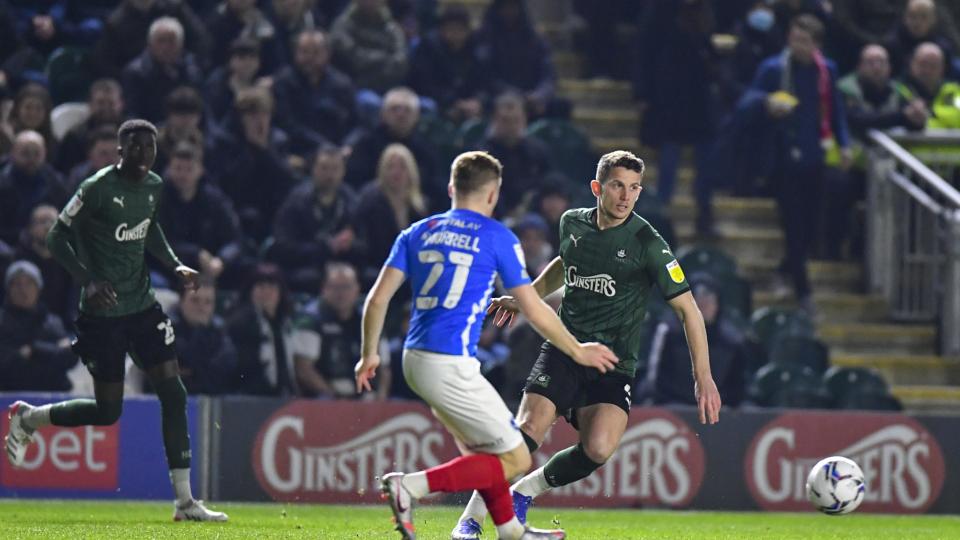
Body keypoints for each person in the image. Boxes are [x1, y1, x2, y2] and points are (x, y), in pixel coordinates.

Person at [451, 150, 722, 539]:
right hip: (565, 348)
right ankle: (471, 521)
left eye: (633, 188)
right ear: (598, 187)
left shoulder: (648, 243)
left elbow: (689, 311)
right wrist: (526, 298)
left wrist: (704, 376)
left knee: (597, 449)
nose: (625, 196)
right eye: (616, 185)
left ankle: (522, 494)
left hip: (613, 363)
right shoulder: (571, 223)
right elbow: (565, 262)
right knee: (525, 434)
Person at [354, 151, 619, 540]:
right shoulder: (497, 237)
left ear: (451, 189)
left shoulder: (417, 231)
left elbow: (377, 300)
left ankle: (511, 531)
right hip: (449, 364)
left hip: (414, 358)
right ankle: (408, 487)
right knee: (515, 458)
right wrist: (578, 350)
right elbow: (534, 307)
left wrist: (369, 354)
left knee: (484, 452)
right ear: (493, 194)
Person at [2, 119, 228, 522]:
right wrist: (87, 281)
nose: (144, 155)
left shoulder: (155, 186)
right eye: (135, 147)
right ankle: (29, 417)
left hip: (142, 307)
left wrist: (175, 265)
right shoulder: (97, 188)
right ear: (121, 151)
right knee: (108, 412)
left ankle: (185, 502)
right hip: (103, 316)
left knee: (172, 392)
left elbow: (149, 227)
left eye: (150, 147)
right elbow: (56, 235)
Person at [0, 260, 76, 392]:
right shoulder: (3, 322)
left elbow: (70, 358)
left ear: (38, 288)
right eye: (17, 284)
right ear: (9, 289)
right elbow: (7, 361)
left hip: (52, 400)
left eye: (29, 283)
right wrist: (53, 350)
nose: (23, 289)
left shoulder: (52, 322)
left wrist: (35, 350)